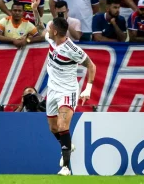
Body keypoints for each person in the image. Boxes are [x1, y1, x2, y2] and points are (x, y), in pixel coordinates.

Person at [40, 16, 96, 176]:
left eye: (50, 27)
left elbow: (91, 65)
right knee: (53, 128)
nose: (48, 29)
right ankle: (67, 144)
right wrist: (36, 10)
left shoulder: (72, 49)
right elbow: (39, 27)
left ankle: (65, 168)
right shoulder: (51, 40)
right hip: (52, 90)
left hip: (67, 91)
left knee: (63, 126)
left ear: (55, 31)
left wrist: (88, 88)